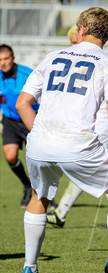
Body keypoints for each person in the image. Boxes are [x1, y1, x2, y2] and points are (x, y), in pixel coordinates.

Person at [16, 7, 108, 273]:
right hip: (78, 144)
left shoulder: (52, 56)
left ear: (81, 29)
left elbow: (22, 103)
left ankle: (29, 268)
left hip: (39, 143)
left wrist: (38, 133)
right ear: (105, 36)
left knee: (40, 196)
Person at [47, 24, 108, 228]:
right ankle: (61, 212)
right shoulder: (98, 61)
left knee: (90, 169)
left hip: (96, 126)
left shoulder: (88, 63)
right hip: (96, 125)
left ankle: (60, 212)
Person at [0, 44, 39, 208]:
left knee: (37, 160)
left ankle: (41, 194)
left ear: (13, 58)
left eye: (6, 58)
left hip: (31, 120)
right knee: (10, 156)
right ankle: (27, 186)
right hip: (10, 121)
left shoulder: (27, 74)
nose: (3, 63)